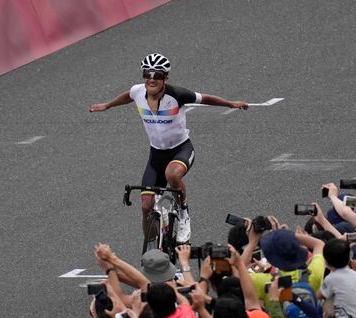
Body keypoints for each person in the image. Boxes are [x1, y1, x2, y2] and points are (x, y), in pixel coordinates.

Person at [89, 53, 249, 242]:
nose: (151, 79)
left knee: (172, 175)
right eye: (147, 74)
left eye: (157, 75)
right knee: (146, 207)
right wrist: (107, 105)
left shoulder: (177, 95)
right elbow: (127, 96)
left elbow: (205, 98)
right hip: (156, 156)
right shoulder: (137, 91)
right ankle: (151, 249)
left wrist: (230, 103)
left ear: (166, 78)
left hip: (181, 150)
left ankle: (183, 213)